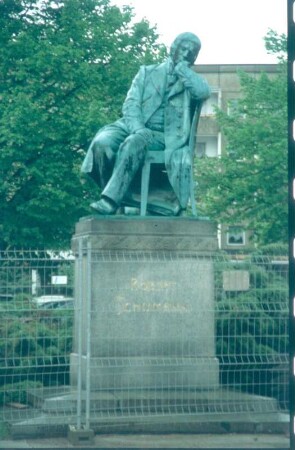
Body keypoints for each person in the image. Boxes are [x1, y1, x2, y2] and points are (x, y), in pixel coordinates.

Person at [81, 32, 210, 215]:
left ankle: (109, 201)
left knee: (135, 143)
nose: (187, 53)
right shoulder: (147, 72)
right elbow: (131, 104)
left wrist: (183, 70)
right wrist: (138, 128)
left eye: (192, 52)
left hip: (164, 136)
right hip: (131, 125)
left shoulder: (191, 82)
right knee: (102, 142)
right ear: (173, 48)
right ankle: (125, 196)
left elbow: (203, 93)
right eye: (184, 48)